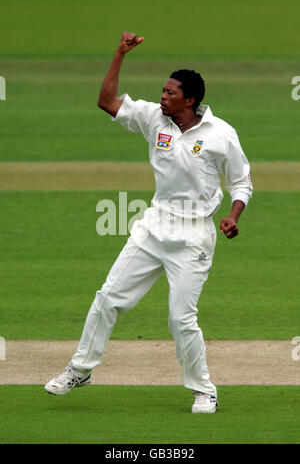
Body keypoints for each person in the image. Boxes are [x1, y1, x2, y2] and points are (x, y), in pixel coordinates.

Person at [45, 32, 253, 414]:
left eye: (170, 93)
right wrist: (119, 53)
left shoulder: (221, 134)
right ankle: (80, 369)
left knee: (180, 319)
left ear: (190, 100)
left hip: (194, 235)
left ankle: (203, 390)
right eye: (162, 90)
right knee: (108, 298)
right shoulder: (153, 119)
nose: (162, 97)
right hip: (154, 225)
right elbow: (106, 101)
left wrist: (232, 215)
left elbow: (242, 182)